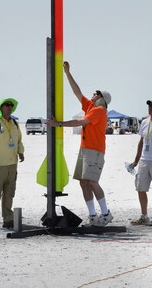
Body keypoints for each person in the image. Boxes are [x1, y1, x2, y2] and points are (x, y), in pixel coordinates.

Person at [48, 61, 113, 226]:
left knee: (92, 181)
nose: (93, 94)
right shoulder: (91, 106)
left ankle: (105, 213)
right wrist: (68, 73)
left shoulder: (99, 111)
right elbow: (77, 92)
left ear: (101, 98)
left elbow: (82, 122)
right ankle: (93, 216)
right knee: (83, 182)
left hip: (94, 151)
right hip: (85, 149)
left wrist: (59, 124)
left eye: (96, 93)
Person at [0, 98, 25, 230]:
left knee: (9, 193)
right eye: (6, 105)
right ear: (1, 107)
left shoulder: (15, 123)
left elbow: (19, 140)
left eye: (11, 105)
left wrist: (21, 152)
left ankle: (8, 219)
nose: (9, 107)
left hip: (12, 164)